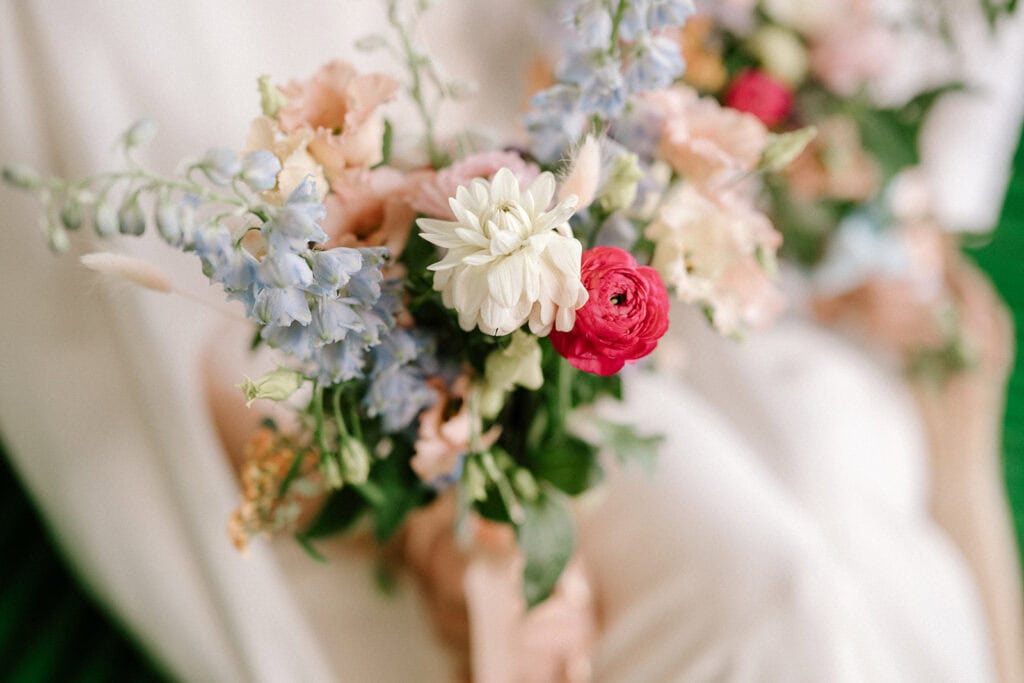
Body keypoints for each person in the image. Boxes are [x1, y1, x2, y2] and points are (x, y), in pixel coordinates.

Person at [1, 1, 1021, 680]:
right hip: (890, 577)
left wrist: (461, 548)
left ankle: (412, 469)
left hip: (732, 618)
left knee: (748, 587)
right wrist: (966, 450)